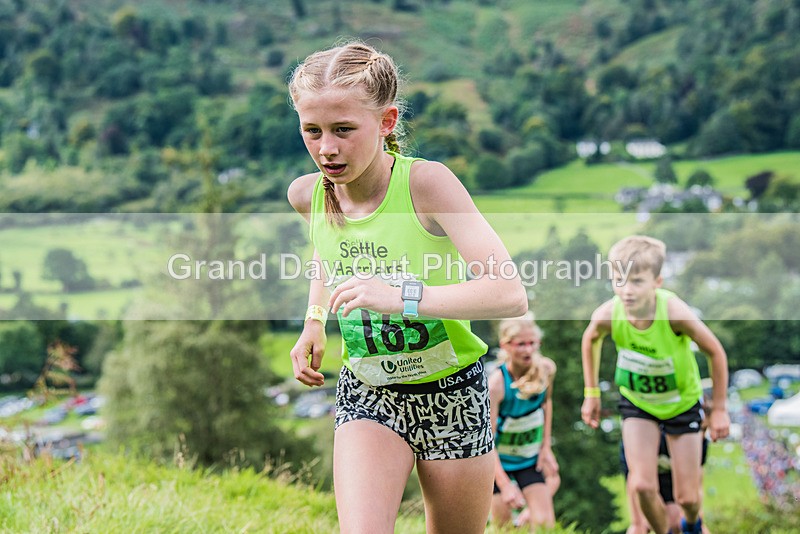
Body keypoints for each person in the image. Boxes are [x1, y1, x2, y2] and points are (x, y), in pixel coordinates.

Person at [286, 41, 527, 534]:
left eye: (344, 130)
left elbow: (509, 293)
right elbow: (326, 250)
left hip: (452, 392)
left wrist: (404, 298)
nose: (326, 148)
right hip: (369, 389)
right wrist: (315, 320)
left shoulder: (426, 185)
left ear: (387, 121)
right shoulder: (307, 195)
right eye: (312, 131)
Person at [580, 235, 729, 534]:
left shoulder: (674, 314)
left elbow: (715, 351)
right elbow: (590, 338)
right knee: (641, 485)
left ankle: (692, 525)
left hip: (681, 405)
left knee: (687, 497)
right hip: (638, 403)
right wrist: (591, 393)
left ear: (657, 281)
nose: (626, 290)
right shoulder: (610, 313)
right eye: (618, 280)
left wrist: (720, 410)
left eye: (636, 281)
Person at [488, 313, 559, 531]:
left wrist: (545, 447)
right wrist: (504, 485)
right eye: (521, 344)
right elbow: (486, 442)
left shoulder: (546, 370)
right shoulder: (497, 385)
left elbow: (546, 405)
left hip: (528, 459)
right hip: (498, 464)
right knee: (504, 527)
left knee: (545, 525)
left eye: (532, 343)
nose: (528, 350)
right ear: (506, 345)